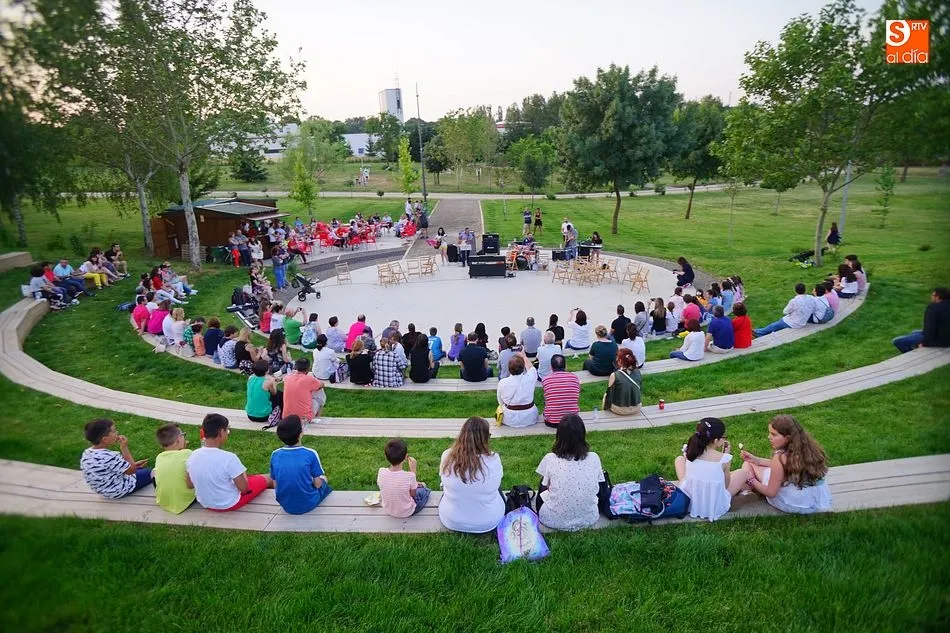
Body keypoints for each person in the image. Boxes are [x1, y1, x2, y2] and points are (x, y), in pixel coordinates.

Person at [740, 415, 832, 514]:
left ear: (788, 438)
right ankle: (749, 490)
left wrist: (751, 480)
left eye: (773, 434)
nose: (769, 437)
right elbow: (783, 467)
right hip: (818, 502)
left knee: (747, 465)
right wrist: (757, 460)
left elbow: (771, 493)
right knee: (755, 465)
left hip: (793, 504)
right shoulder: (810, 450)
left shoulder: (780, 457)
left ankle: (746, 492)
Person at [186, 413, 273, 512]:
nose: (227, 433)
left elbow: (189, 484)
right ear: (221, 432)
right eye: (227, 430)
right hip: (228, 503)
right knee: (269, 478)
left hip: (205, 502)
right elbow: (244, 489)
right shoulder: (229, 458)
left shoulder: (193, 455)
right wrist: (243, 474)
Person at [534, 414, 604, 531]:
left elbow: (543, 487)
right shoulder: (594, 458)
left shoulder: (550, 458)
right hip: (589, 518)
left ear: (559, 436)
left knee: (544, 481)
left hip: (552, 520)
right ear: (583, 434)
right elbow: (600, 486)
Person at [438, 417, 505, 533]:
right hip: (488, 521)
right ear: (485, 438)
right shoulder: (494, 459)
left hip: (451, 520)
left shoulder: (447, 456)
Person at [674, 417, 748, 521]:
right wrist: (725, 455)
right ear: (716, 440)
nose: (724, 439)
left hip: (690, 498)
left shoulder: (691, 451)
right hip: (714, 503)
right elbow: (725, 485)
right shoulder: (724, 459)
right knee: (743, 473)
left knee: (679, 459)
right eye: (723, 437)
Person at [269, 415, 331, 514]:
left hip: (285, 504)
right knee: (323, 479)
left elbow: (275, 484)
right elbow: (318, 484)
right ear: (300, 434)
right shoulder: (311, 453)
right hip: (308, 503)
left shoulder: (275, 454)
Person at [80, 418, 151, 499]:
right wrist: (124, 447)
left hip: (103, 490)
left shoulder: (86, 453)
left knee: (140, 470)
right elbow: (132, 470)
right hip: (119, 491)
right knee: (150, 472)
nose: (117, 433)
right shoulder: (110, 456)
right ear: (105, 439)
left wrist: (133, 466)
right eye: (113, 431)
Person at [378, 438, 430, 517]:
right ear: (406, 457)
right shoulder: (409, 476)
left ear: (385, 456)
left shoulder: (381, 472)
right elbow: (413, 494)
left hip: (388, 509)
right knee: (425, 490)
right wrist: (413, 470)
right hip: (407, 511)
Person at [153, 423, 195, 514]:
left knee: (153, 472)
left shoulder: (159, 457)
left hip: (164, 501)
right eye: (183, 435)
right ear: (178, 439)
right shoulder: (188, 453)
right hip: (185, 500)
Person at [893, 288, 950, 353]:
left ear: (937, 297)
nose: (931, 297)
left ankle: (913, 355)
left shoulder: (933, 307)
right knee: (915, 332)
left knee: (897, 341)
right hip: (945, 336)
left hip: (940, 341)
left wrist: (924, 343)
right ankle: (916, 347)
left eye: (932, 295)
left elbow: (930, 328)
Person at [496, 353, 539, 428]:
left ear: (509, 369)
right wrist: (524, 356)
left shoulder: (502, 383)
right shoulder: (531, 377)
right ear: (523, 368)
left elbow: (500, 402)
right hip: (529, 417)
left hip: (509, 418)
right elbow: (532, 368)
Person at [540, 353, 581, 427]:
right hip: (573, 420)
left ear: (551, 367)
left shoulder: (545, 380)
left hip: (552, 421)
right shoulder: (574, 378)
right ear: (565, 366)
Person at [283, 358, 326, 424]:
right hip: (304, 418)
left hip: (287, 416)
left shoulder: (287, 378)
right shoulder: (309, 379)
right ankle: (318, 415)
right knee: (319, 390)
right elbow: (322, 385)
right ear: (308, 368)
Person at [603, 348, 642, 415]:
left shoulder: (615, 375)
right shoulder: (638, 372)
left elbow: (609, 395)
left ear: (620, 360)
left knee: (605, 395)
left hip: (621, 409)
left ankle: (604, 414)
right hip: (637, 407)